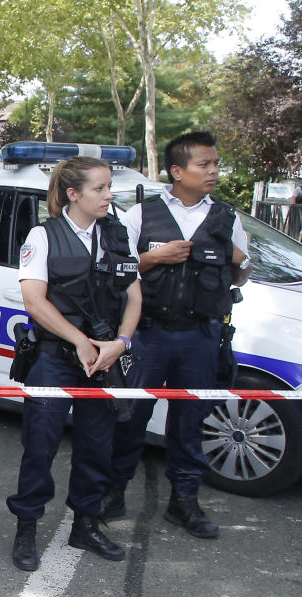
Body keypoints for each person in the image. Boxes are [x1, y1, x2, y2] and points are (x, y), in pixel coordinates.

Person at [103, 132, 252, 537]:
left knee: (190, 423)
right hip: (149, 334)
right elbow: (116, 271)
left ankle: (184, 502)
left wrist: (239, 262)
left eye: (215, 164)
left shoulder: (226, 217)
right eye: (205, 165)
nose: (214, 172)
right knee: (130, 418)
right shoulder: (140, 214)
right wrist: (154, 257)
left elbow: (239, 272)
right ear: (176, 171)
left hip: (201, 337)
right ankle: (112, 493)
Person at [6, 156, 142, 570]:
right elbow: (34, 301)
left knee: (97, 447)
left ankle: (86, 523)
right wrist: (80, 341)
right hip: (55, 359)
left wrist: (120, 342)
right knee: (40, 446)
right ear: (73, 194)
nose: (109, 195)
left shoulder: (118, 235)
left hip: (104, 360)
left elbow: (135, 297)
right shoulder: (43, 236)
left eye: (108, 187)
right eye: (100, 188)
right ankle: (26, 527)